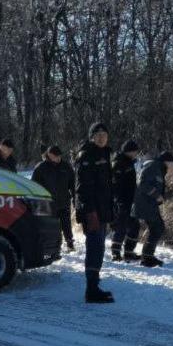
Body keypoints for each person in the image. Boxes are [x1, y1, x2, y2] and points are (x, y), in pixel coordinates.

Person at [75, 122, 115, 303]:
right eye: (97, 134)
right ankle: (90, 291)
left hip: (102, 210)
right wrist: (90, 212)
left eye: (104, 134)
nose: (101, 137)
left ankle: (94, 285)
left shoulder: (105, 154)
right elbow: (82, 188)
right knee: (94, 248)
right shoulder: (87, 155)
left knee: (99, 249)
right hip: (92, 212)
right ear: (92, 137)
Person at [124, 150, 173, 267]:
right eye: (171, 163)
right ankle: (147, 257)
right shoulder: (154, 167)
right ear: (166, 161)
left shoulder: (158, 167)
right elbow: (142, 184)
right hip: (145, 204)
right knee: (157, 227)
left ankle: (145, 256)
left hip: (147, 204)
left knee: (156, 227)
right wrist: (157, 195)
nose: (172, 166)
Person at [31, 144, 75, 251]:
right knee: (51, 226)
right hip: (48, 203)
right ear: (49, 155)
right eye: (55, 156)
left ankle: (70, 243)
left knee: (66, 224)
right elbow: (34, 186)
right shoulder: (41, 168)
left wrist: (75, 197)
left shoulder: (66, 167)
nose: (58, 158)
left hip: (64, 201)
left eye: (59, 156)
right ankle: (53, 246)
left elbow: (73, 184)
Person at [111, 139, 141, 261]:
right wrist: (118, 201)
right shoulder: (118, 163)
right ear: (128, 151)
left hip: (131, 201)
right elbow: (114, 184)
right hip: (121, 201)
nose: (136, 154)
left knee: (135, 226)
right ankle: (116, 253)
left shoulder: (129, 162)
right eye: (134, 151)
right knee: (121, 227)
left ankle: (129, 251)